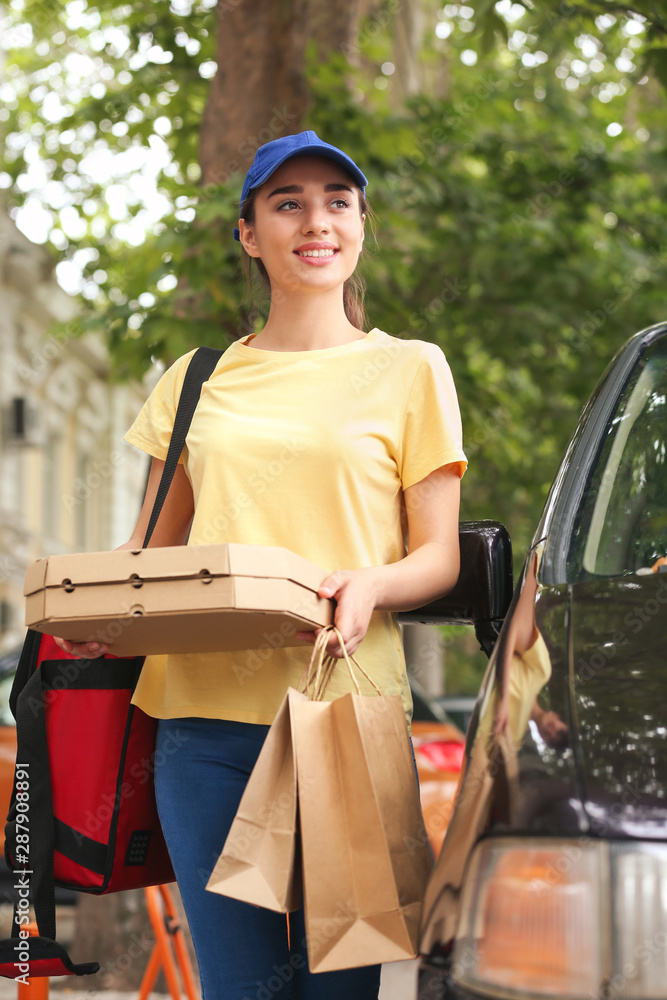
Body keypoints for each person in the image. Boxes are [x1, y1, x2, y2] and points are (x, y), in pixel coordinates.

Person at [55, 130, 467, 1000]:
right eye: (287, 203)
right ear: (248, 234)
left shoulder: (409, 370)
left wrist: (371, 584)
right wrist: (92, 610)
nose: (315, 220)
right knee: (242, 988)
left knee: (342, 989)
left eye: (336, 201)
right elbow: (151, 553)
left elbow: (434, 556)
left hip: (346, 716)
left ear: (359, 225)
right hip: (202, 725)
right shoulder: (197, 379)